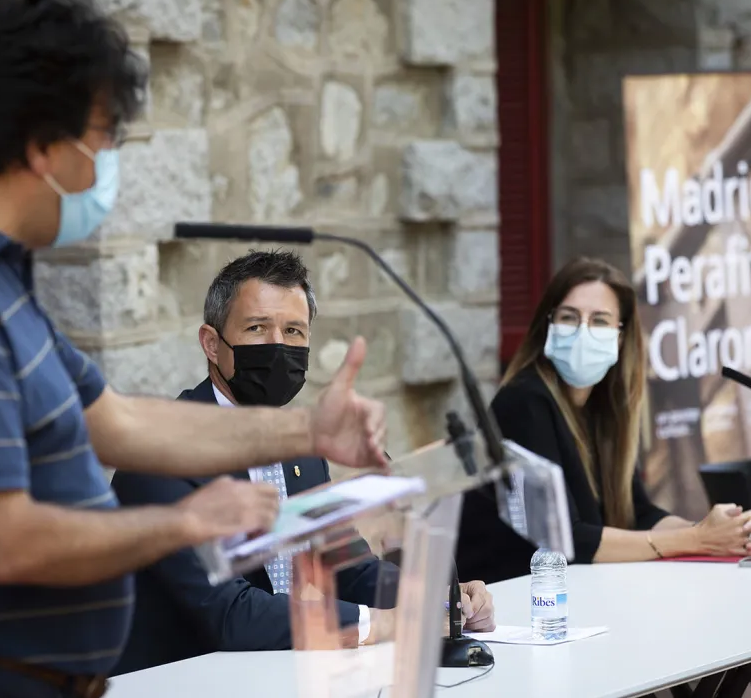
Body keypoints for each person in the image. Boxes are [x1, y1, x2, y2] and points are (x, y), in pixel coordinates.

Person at [0, 0, 386, 698]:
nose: (109, 162)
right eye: (105, 136)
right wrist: (178, 524)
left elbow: (120, 421)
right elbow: (6, 541)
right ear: (40, 143)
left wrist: (305, 428)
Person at [111, 250, 496, 674]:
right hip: (173, 680)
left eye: (294, 330)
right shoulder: (160, 453)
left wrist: (440, 599)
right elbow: (228, 614)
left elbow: (346, 566)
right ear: (211, 343)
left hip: (272, 674)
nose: (279, 346)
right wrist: (379, 624)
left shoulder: (302, 445)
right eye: (257, 328)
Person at [455, 258, 751, 584]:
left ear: (620, 337)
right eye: (569, 317)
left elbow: (638, 513)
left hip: (573, 595)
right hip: (509, 603)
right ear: (547, 326)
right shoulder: (523, 401)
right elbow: (567, 542)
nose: (582, 331)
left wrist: (715, 531)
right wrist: (696, 540)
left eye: (600, 321)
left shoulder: (603, 409)